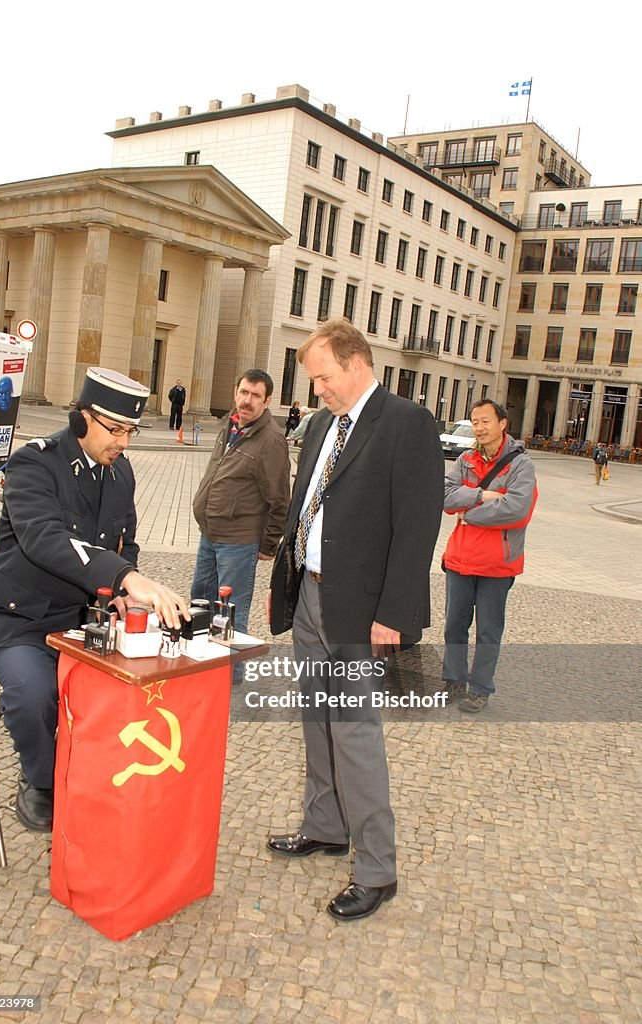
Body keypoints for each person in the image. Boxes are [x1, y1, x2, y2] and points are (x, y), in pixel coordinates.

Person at [266, 319, 444, 922]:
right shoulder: (320, 425)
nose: (317, 391)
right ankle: (325, 825)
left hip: (362, 612)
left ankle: (376, 867)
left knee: (355, 731)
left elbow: (416, 527)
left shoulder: (406, 424)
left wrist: (393, 614)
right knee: (315, 718)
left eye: (323, 378)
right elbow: (309, 504)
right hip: (311, 599)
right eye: (313, 381)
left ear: (356, 362)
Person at [0, 367, 189, 833]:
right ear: (83, 419)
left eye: (130, 431)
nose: (124, 442)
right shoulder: (34, 464)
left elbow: (123, 540)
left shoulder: (118, 469)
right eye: (116, 430)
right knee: (34, 693)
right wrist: (126, 577)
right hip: (16, 620)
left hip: (77, 618)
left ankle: (97, 781)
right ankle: (42, 783)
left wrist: (118, 596)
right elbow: (44, 537)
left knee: (125, 689)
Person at [441, 399, 538, 714]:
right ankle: (453, 679)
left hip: (497, 563)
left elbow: (518, 509)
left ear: (502, 423)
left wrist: (470, 513)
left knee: (488, 629)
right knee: (454, 625)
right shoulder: (466, 459)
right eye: (475, 421)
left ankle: (480, 688)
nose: (480, 428)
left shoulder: (520, 464)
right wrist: (481, 495)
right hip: (460, 558)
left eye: (485, 421)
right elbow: (444, 497)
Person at [191, 369, 290, 635]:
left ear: (267, 401)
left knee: (229, 617)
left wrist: (269, 545)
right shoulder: (231, 425)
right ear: (235, 392)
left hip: (238, 542)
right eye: (244, 392)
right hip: (209, 535)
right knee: (199, 610)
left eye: (256, 395)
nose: (247, 400)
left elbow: (279, 499)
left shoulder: (271, 440)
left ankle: (231, 676)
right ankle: (201, 673)